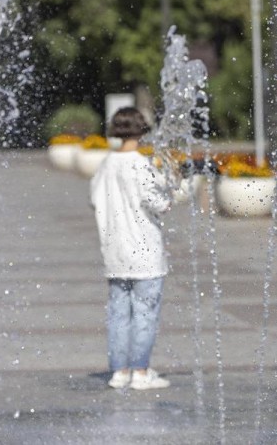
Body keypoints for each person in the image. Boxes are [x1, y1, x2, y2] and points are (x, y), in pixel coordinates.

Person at [90, 107, 172, 391]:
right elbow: (159, 203)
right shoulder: (140, 164)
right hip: (145, 252)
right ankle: (140, 371)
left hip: (114, 251)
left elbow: (95, 199)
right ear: (142, 130)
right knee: (145, 314)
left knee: (118, 315)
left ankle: (119, 371)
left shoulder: (106, 165)